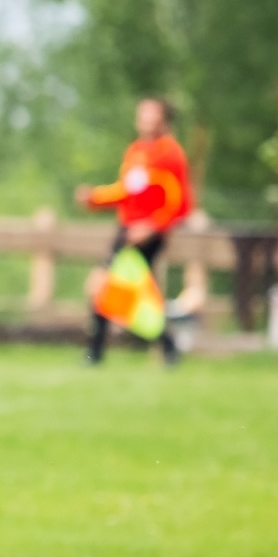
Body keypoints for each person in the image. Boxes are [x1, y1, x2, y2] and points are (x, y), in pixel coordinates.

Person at [75, 97, 191, 366]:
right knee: (118, 292)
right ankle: (167, 347)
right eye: (143, 114)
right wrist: (95, 198)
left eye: (152, 114)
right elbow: (126, 191)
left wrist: (151, 226)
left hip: (147, 236)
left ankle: (96, 355)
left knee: (105, 288)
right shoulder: (136, 151)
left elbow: (180, 203)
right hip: (126, 230)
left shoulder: (170, 154)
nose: (146, 119)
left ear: (164, 119)